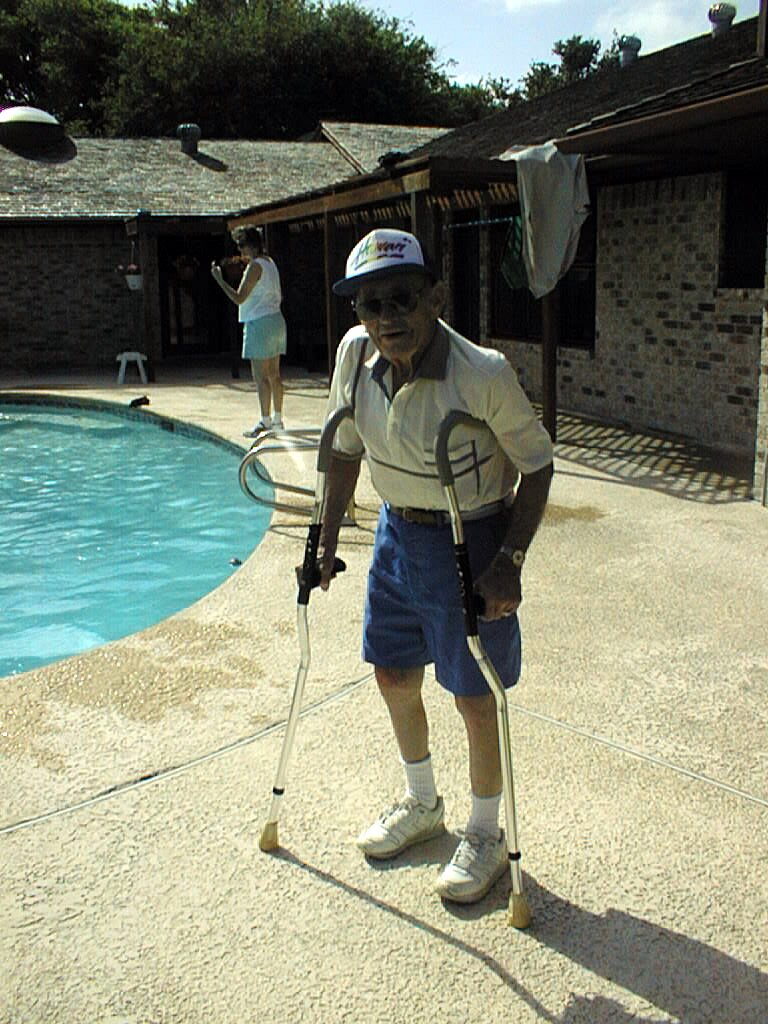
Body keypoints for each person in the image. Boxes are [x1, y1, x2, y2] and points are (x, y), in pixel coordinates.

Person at [318, 228, 554, 905]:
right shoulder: (354, 355)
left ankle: (484, 832)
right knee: (393, 672)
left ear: (436, 298)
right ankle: (422, 802)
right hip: (397, 531)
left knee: (474, 695)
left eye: (402, 298)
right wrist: (325, 541)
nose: (387, 317)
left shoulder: (482, 373)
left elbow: (538, 465)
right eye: (371, 304)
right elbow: (344, 449)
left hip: (468, 535)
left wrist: (509, 561)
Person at [211, 225, 287, 436]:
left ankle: (265, 421)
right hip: (276, 320)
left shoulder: (255, 267)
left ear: (252, 245)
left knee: (261, 377)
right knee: (274, 375)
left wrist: (219, 279)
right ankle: (278, 420)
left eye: (242, 245)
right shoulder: (270, 263)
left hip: (259, 323)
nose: (240, 249)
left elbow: (239, 298)